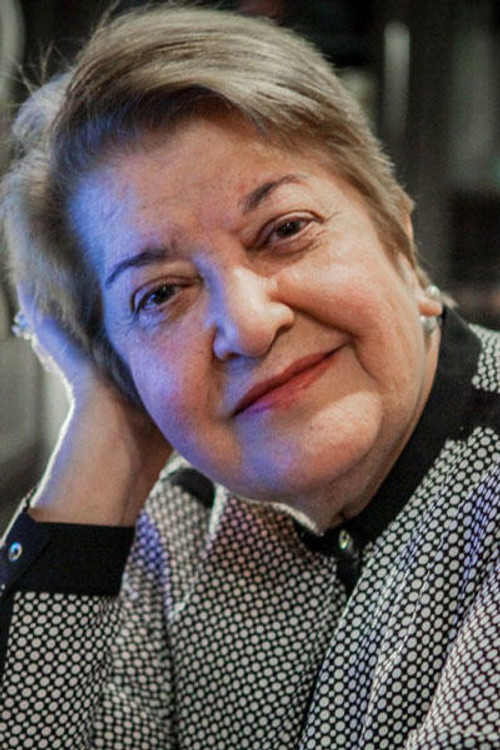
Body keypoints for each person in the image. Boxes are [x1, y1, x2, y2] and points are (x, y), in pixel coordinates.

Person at [0, 5, 499, 749]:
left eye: (286, 230)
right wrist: (107, 428)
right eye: (160, 295)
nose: (248, 323)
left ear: (401, 241)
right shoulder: (173, 527)